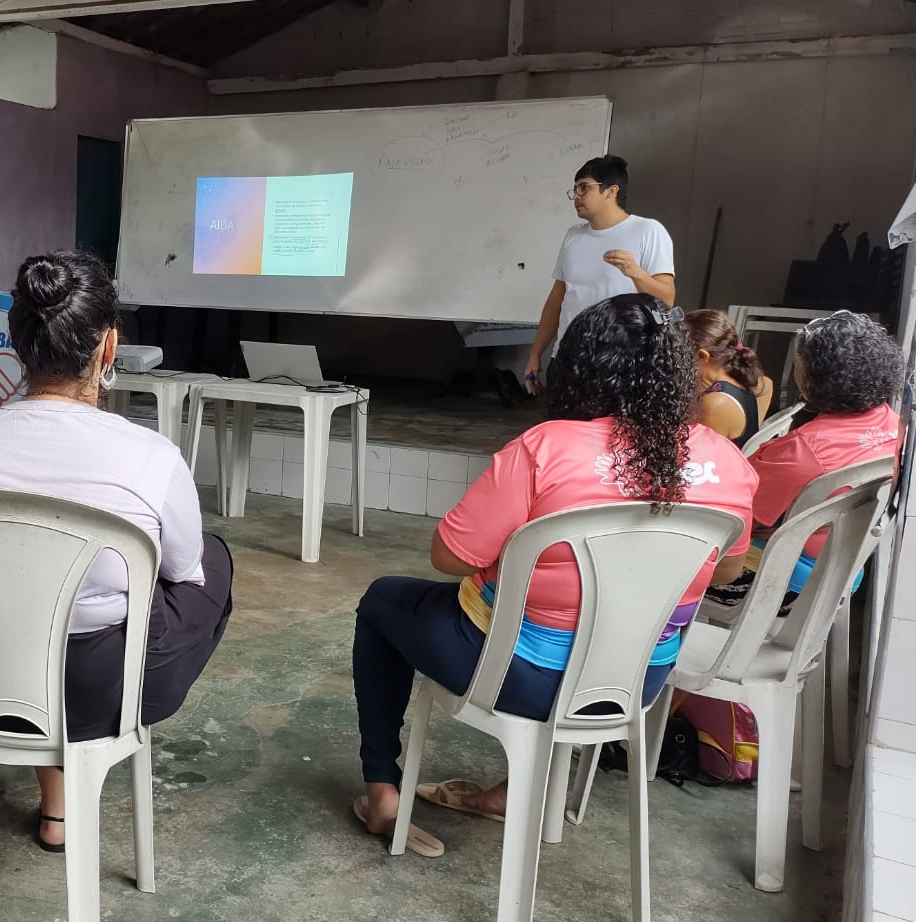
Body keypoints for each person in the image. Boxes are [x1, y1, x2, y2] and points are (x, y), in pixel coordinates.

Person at [353, 296, 757, 854]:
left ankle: (382, 795)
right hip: (636, 680)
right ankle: (505, 794)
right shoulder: (727, 461)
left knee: (382, 601)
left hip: (522, 677)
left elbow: (448, 556)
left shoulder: (545, 449)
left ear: (580, 366)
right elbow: (726, 571)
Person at [0, 250, 234, 853]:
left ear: (16, 343)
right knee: (209, 559)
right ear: (109, 348)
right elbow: (183, 572)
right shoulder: (149, 455)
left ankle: (55, 802)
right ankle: (73, 781)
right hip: (93, 689)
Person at [706, 310, 902, 610]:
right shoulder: (895, 426)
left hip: (782, 585)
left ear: (812, 380)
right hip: (844, 573)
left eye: (798, 367)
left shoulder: (804, 450)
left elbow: (735, 519)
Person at [524, 156, 676, 393]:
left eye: (584, 187)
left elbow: (667, 299)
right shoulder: (573, 236)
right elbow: (557, 300)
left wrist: (635, 273)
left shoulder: (648, 231)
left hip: (621, 361)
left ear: (611, 191)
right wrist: (536, 354)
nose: (576, 196)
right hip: (567, 358)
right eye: (575, 189)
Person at [684, 308, 774, 447]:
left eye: (679, 352)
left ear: (702, 357)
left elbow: (693, 459)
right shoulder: (739, 380)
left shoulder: (716, 404)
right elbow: (767, 384)